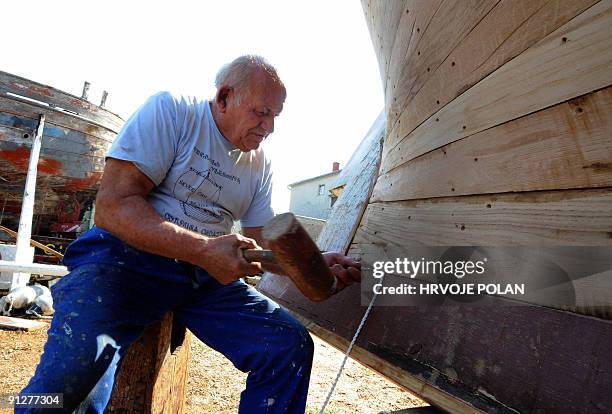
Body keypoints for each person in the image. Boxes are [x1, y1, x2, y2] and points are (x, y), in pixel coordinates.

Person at [18, 55, 361, 413]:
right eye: (261, 112)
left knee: (287, 346)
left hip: (203, 278)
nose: (269, 126)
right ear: (224, 97)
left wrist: (311, 264)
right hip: (121, 262)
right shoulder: (172, 113)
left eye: (275, 115)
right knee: (69, 383)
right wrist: (203, 249)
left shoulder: (260, 163)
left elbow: (259, 243)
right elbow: (113, 207)